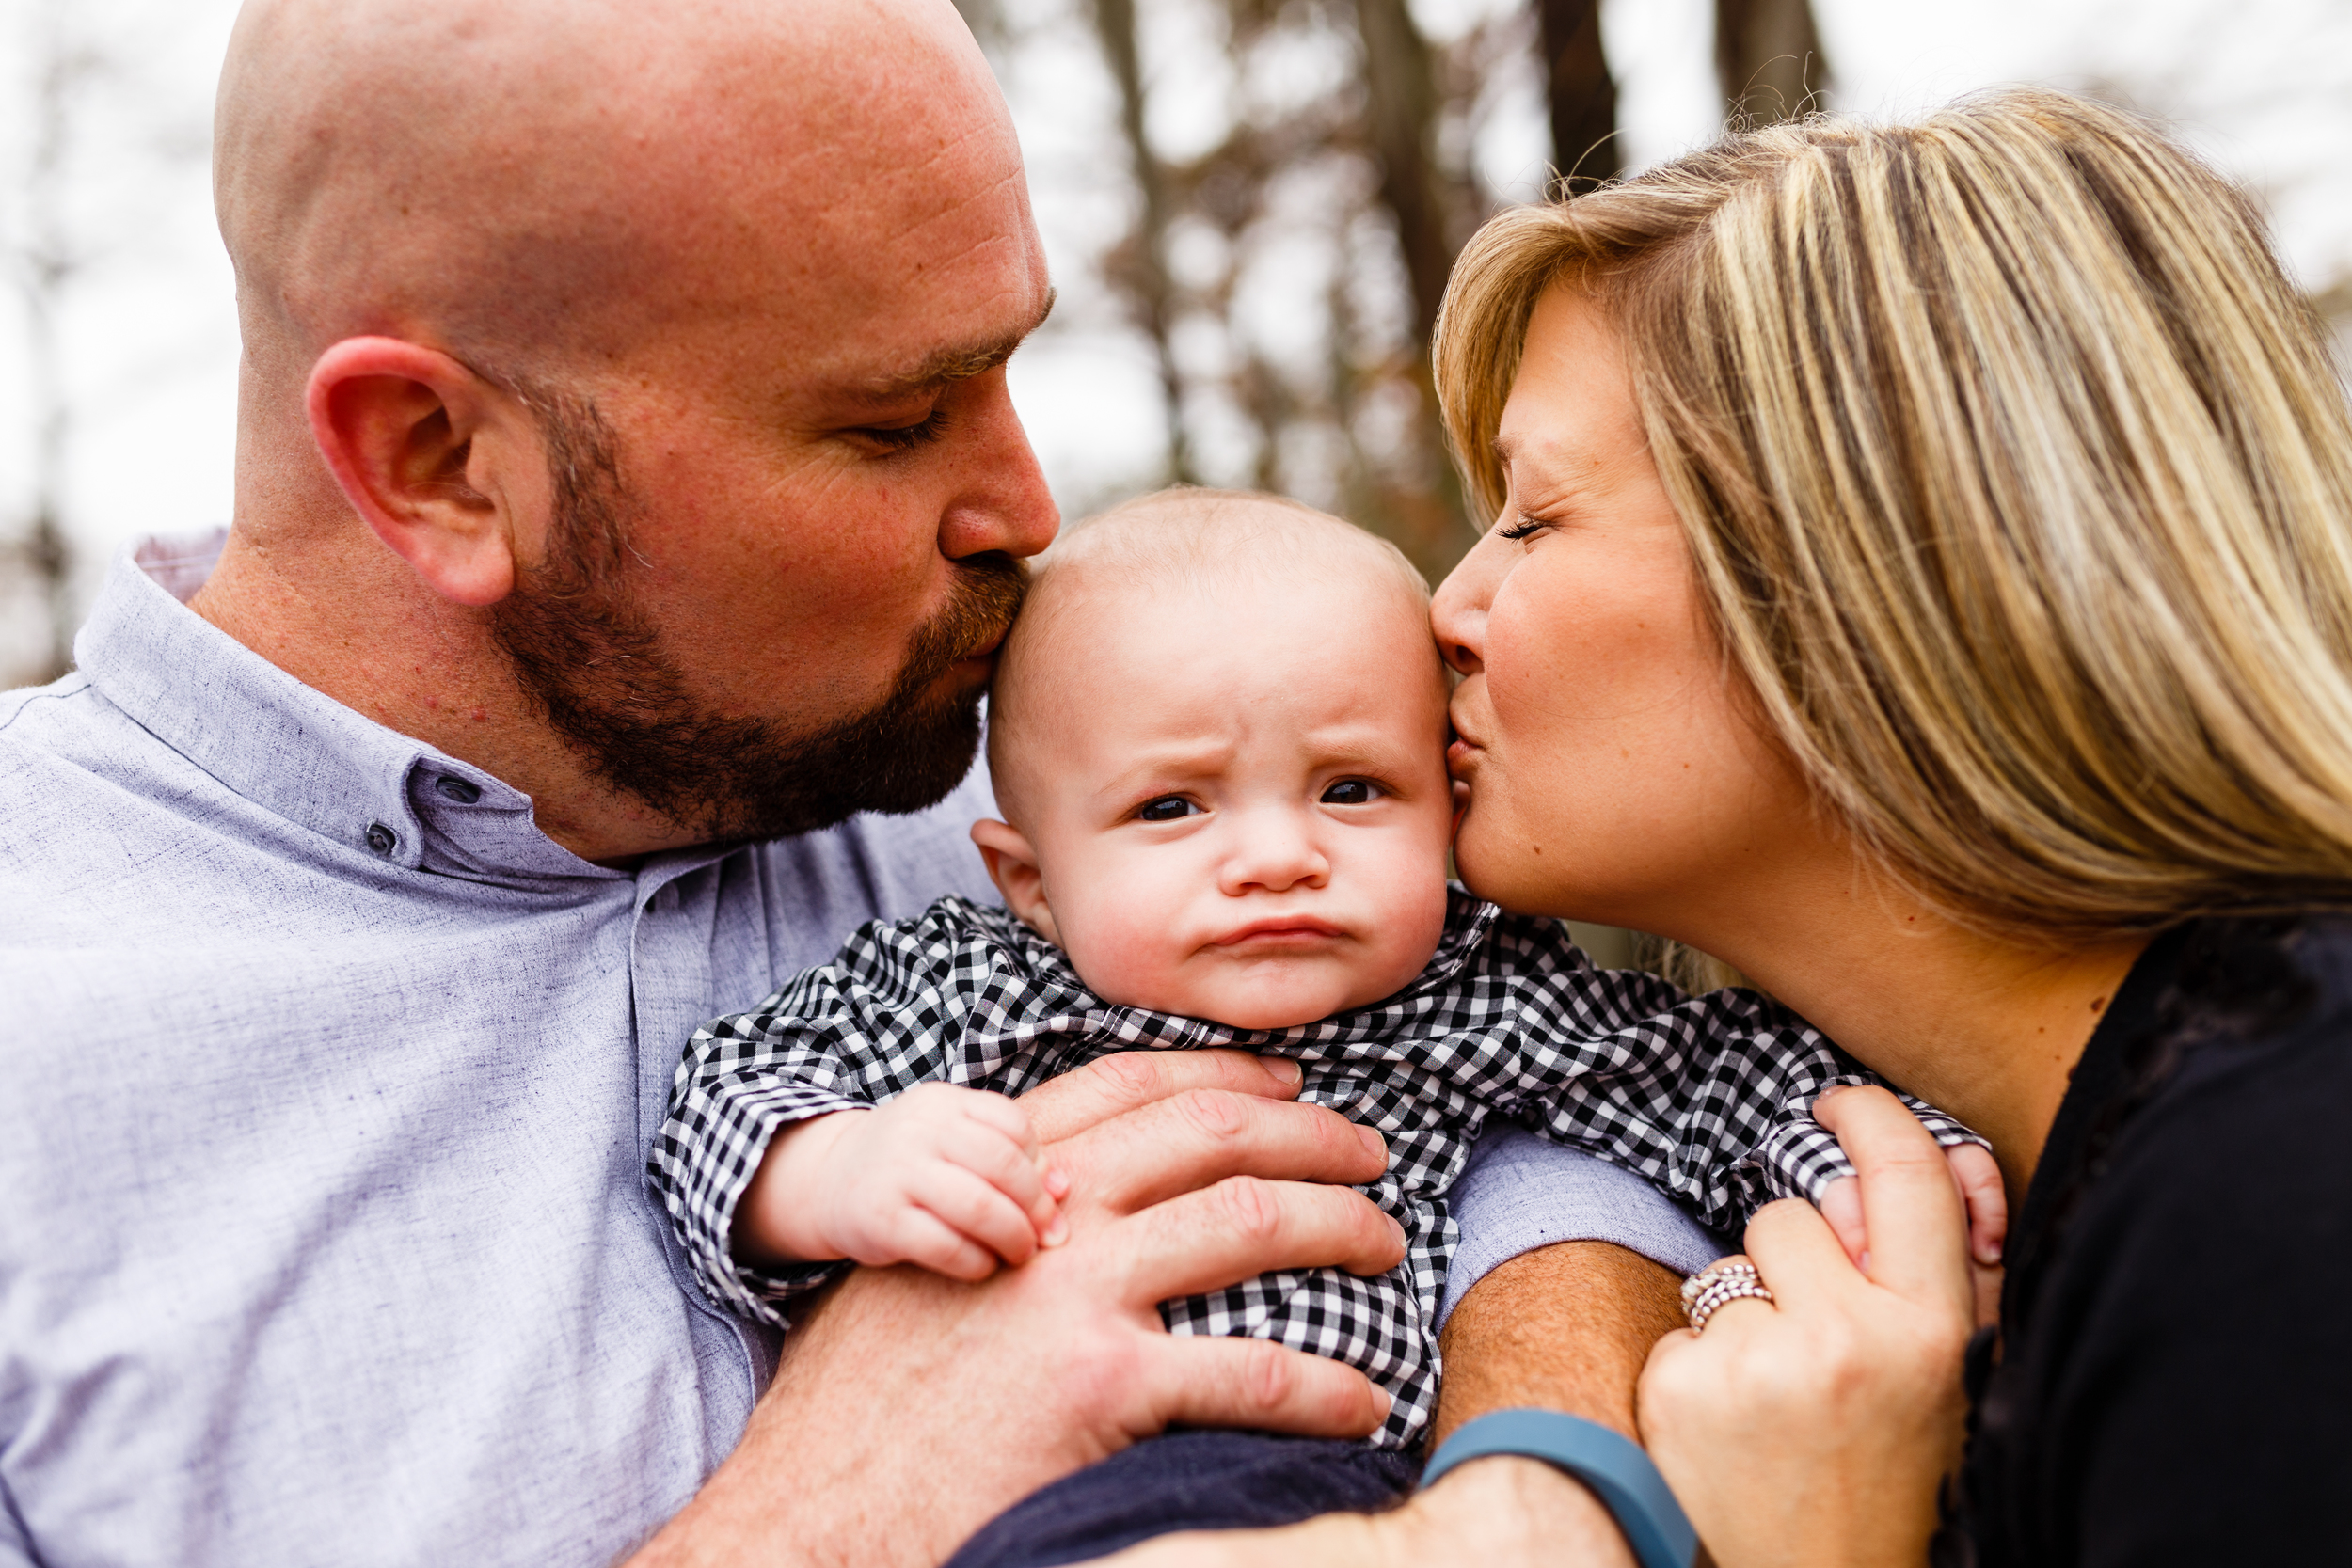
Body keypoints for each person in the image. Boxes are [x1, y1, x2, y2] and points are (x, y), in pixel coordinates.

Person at [0, 2, 1744, 1564]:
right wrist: (827, 1518)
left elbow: (1527, 1083)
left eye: (1009, 366)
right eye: (896, 423)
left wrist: (1538, 1477)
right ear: (437, 459)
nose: (1027, 508)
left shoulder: (1079, 780)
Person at [1104, 86, 2352, 1567]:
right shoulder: (2053, 1161)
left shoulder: (2288, 1188)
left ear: (1860, 565)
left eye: (1535, 516)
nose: (1451, 611)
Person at [647, 490, 1996, 1560]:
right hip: (1059, 1484)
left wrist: (1882, 1166)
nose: (1278, 857)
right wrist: (833, 1172)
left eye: (1352, 789)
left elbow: (1709, 1075)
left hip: (1382, 1469)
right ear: (1032, 881)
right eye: (1175, 809)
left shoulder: (1479, 993)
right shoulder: (970, 990)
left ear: (1447, 808)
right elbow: (731, 1091)